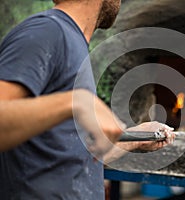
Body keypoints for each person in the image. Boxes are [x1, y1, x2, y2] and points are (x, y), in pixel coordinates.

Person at [0, 0, 174, 199]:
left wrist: (135, 138)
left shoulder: (72, 40)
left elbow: (73, 156)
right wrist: (76, 102)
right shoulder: (47, 32)